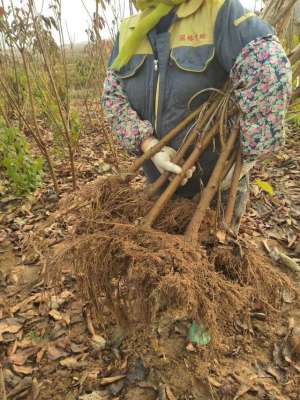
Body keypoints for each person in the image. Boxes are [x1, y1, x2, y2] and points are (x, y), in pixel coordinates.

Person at [102, 0, 292, 231]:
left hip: (214, 188)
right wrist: (150, 146)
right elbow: (113, 98)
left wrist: (242, 158)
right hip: (157, 180)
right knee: (159, 256)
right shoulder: (128, 30)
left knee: (211, 258)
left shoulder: (219, 12)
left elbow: (270, 72)